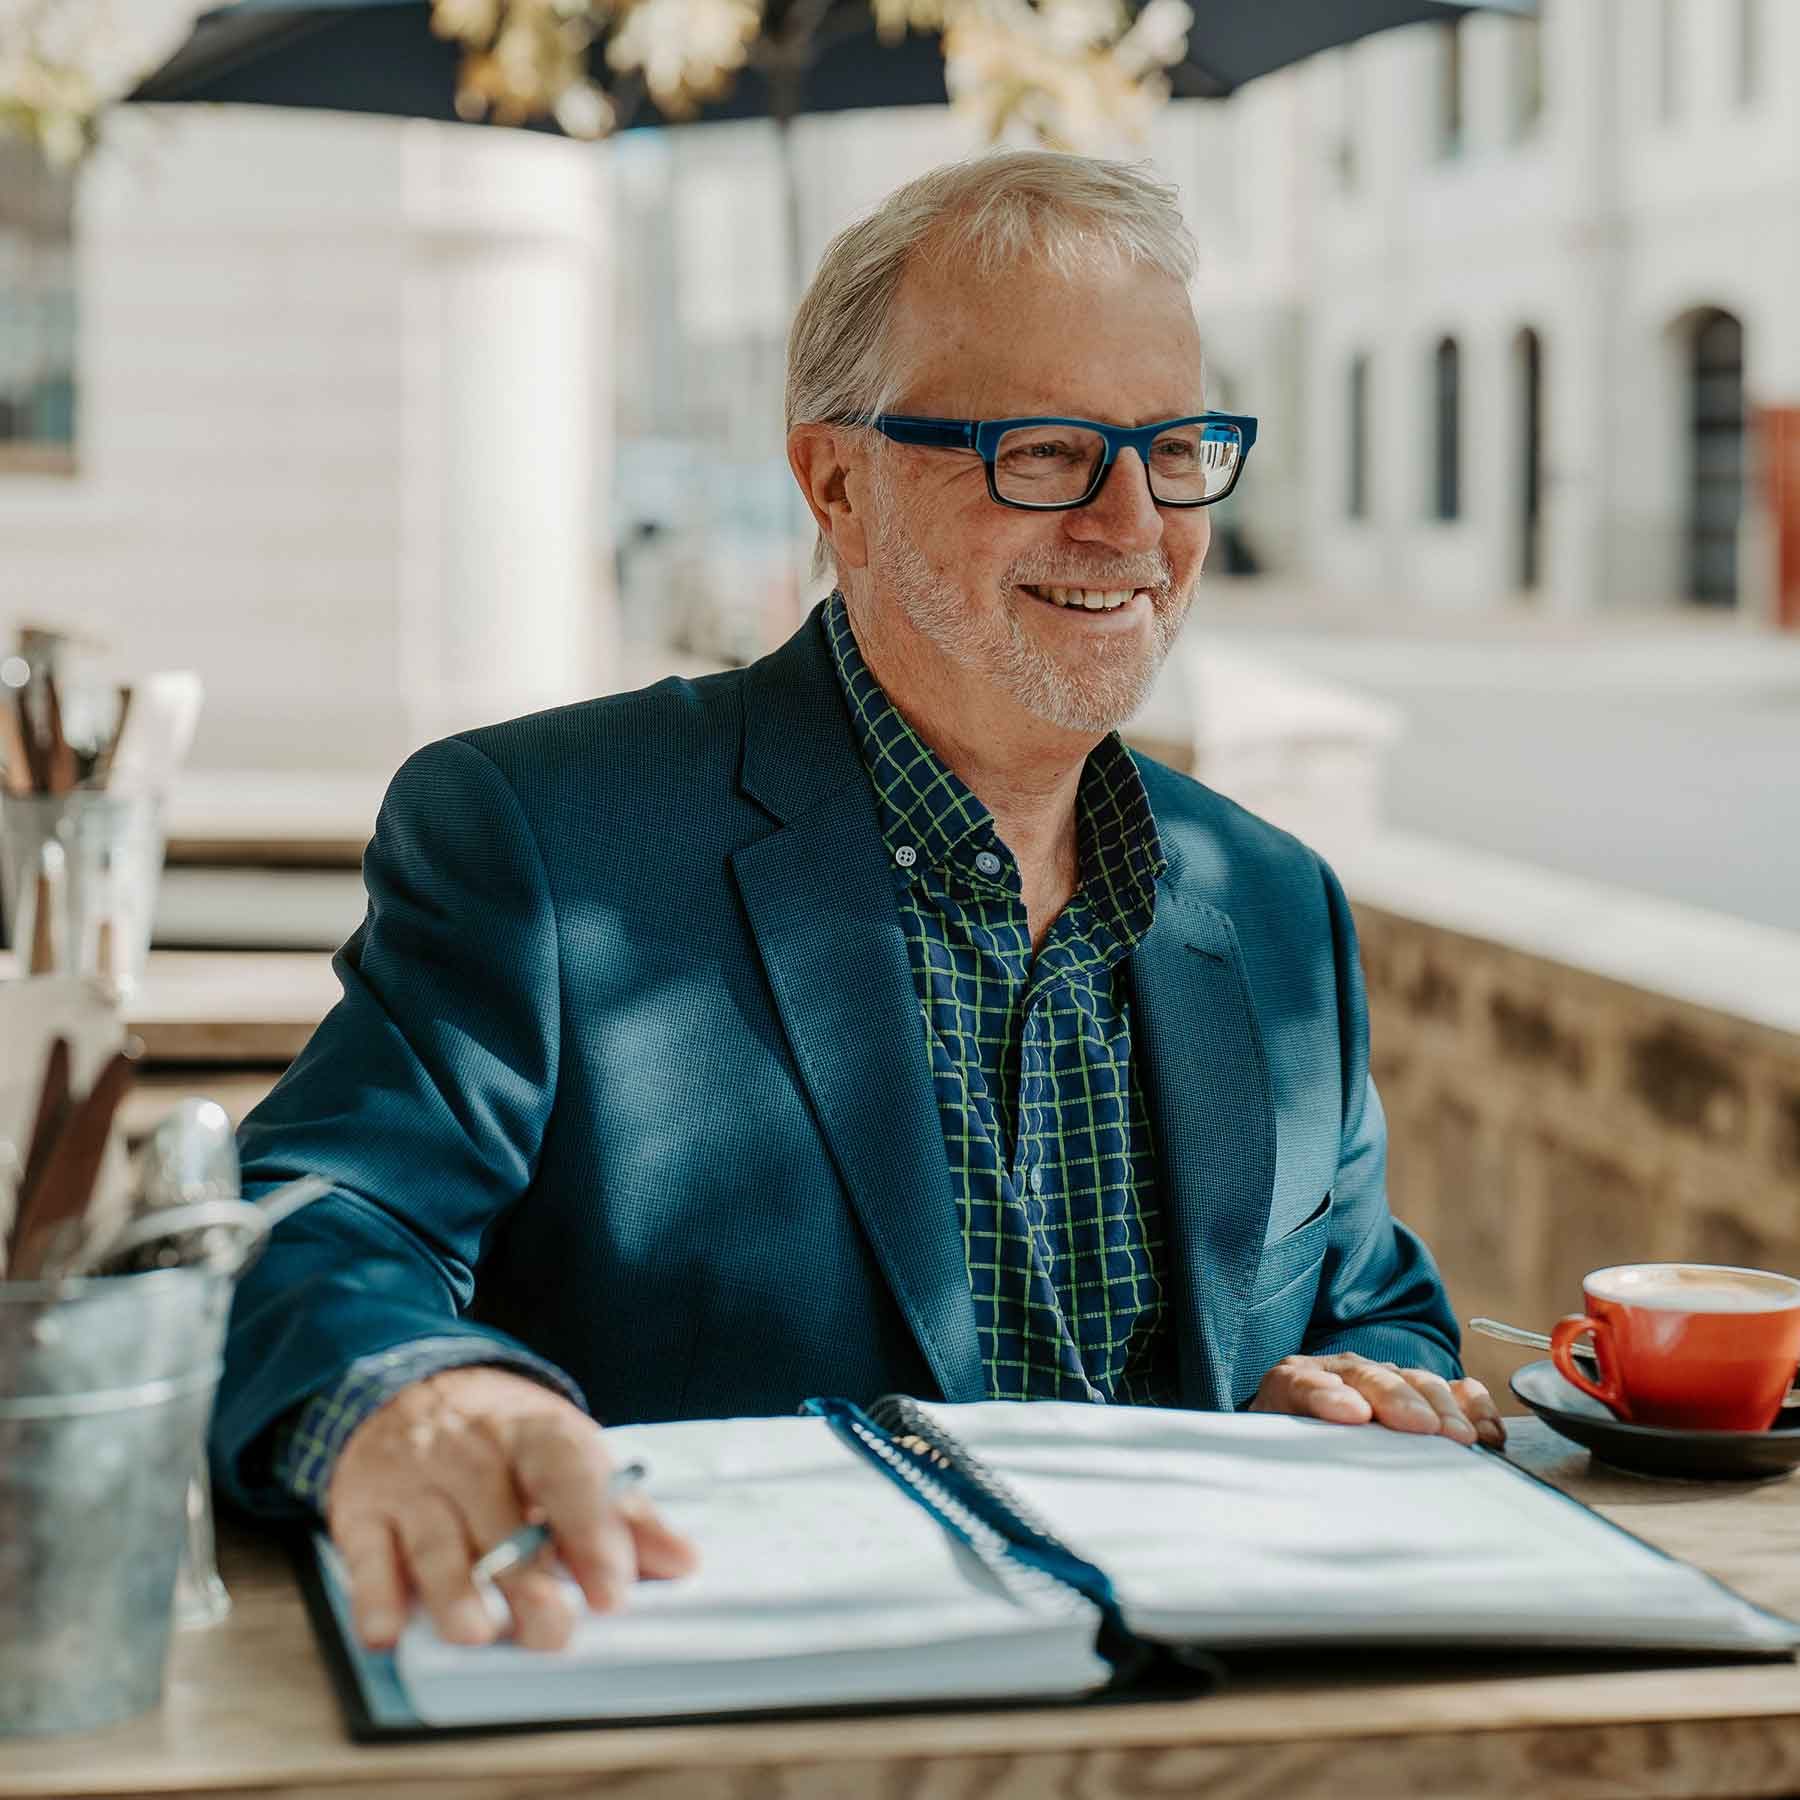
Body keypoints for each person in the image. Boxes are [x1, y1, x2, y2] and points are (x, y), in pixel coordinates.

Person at [214, 150, 1501, 1658]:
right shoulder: (544, 838)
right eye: (1042, 452)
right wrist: (413, 1395)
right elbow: (305, 1220)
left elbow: (1376, 1307)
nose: (1130, 521)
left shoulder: (1275, 904)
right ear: (839, 482)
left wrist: (1344, 1387)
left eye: (1175, 446)